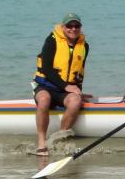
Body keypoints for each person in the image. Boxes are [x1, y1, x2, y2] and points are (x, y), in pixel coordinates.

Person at [33, 13, 89, 156]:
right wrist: (66, 87)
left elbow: (78, 71)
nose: (73, 29)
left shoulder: (84, 46)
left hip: (64, 91)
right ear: (63, 27)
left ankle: (59, 139)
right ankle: (41, 141)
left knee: (75, 101)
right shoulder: (51, 41)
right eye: (69, 26)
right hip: (46, 86)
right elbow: (46, 68)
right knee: (44, 100)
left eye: (77, 26)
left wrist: (78, 91)